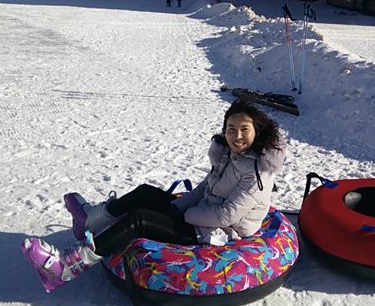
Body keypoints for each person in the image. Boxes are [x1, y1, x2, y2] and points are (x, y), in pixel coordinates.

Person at [21, 100, 286, 293]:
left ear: (257, 132)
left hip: (218, 231)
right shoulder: (229, 156)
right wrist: (175, 207)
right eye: (231, 129)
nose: (236, 136)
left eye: (244, 129)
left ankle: (67, 268)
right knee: (147, 193)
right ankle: (90, 220)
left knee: (139, 220)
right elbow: (202, 190)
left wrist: (184, 215)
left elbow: (226, 215)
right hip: (202, 214)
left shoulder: (257, 173)